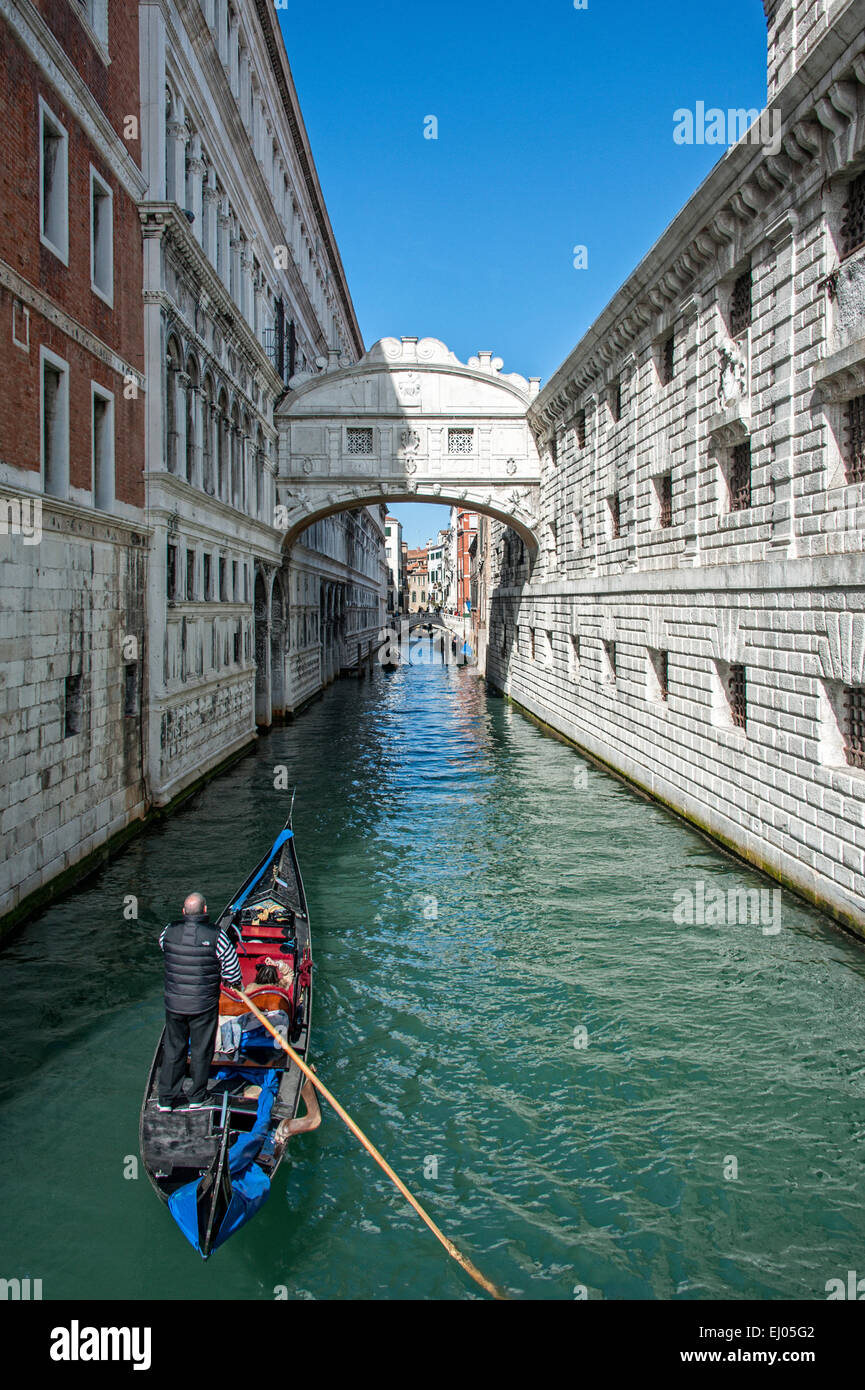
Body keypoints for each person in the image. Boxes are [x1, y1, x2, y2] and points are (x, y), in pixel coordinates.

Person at [157, 891, 243, 1112]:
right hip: (203, 1006)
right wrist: (233, 983)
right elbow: (232, 970)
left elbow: (163, 945)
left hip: (174, 1005)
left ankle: (165, 1099)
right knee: (200, 1050)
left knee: (173, 1050)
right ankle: (196, 1097)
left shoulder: (169, 931)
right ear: (205, 910)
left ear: (183, 911)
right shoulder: (216, 935)